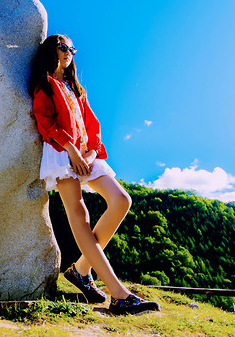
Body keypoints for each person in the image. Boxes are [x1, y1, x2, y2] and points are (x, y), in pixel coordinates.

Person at [30, 34, 160, 315]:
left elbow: (93, 126)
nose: (68, 52)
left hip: (87, 154)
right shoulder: (45, 85)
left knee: (121, 200)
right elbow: (44, 121)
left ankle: (80, 270)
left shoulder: (76, 88)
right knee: (80, 216)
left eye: (72, 49)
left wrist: (89, 154)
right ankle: (119, 295)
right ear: (51, 50)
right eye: (63, 47)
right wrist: (72, 151)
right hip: (61, 153)